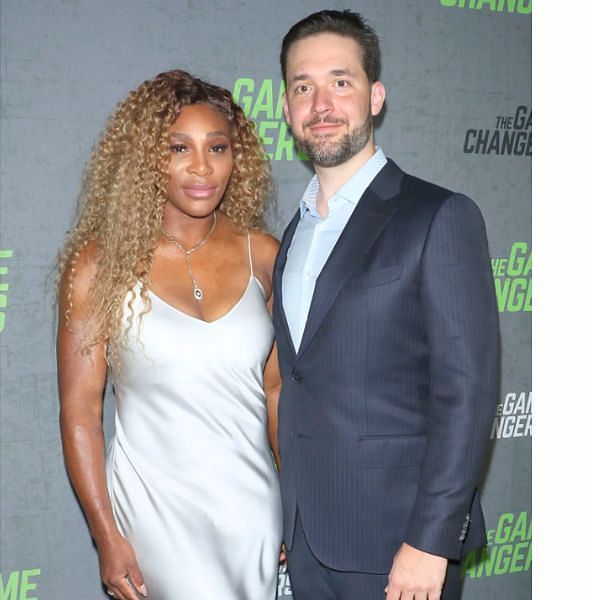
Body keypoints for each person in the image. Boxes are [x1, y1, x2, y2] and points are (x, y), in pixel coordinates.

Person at [273, 10, 499, 600]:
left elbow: (466, 391)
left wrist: (432, 541)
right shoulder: (291, 237)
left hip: (399, 548)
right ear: (288, 107)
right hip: (305, 542)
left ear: (376, 97)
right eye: (303, 87)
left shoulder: (437, 216)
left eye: (340, 81)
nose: (321, 102)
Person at [57, 70, 282, 600]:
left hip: (252, 510)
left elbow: (277, 393)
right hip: (153, 514)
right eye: (179, 147)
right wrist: (106, 534)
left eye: (218, 147)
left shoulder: (266, 256)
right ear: (146, 159)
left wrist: (296, 500)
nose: (202, 167)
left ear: (237, 158)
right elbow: (82, 415)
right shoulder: (100, 265)